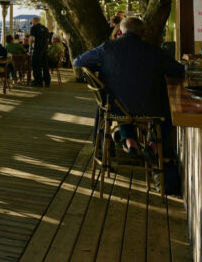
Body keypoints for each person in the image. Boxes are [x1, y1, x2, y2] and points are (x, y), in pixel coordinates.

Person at [74, 17, 185, 184]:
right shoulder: (154, 51)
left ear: (120, 32)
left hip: (116, 108)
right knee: (170, 110)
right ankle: (153, 145)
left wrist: (100, 68)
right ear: (143, 33)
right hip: (150, 109)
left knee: (120, 100)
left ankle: (130, 142)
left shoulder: (107, 48)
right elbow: (179, 70)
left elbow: (78, 61)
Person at [29, 17, 51, 87]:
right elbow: (48, 40)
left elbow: (31, 39)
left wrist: (30, 47)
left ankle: (38, 81)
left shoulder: (33, 28)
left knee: (35, 65)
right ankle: (47, 81)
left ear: (34, 21)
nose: (31, 23)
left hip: (37, 49)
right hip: (44, 49)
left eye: (32, 21)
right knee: (45, 66)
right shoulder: (45, 28)